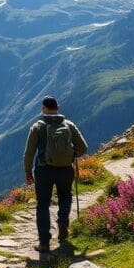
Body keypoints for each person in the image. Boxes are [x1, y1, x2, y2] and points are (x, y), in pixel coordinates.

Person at [23, 96, 88, 253]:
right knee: (65, 196)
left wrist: (27, 171)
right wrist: (71, 155)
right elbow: (83, 148)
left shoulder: (37, 127)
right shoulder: (68, 125)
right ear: (57, 107)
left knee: (43, 204)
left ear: (43, 108)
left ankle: (44, 243)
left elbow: (29, 153)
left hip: (44, 170)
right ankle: (63, 224)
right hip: (65, 169)